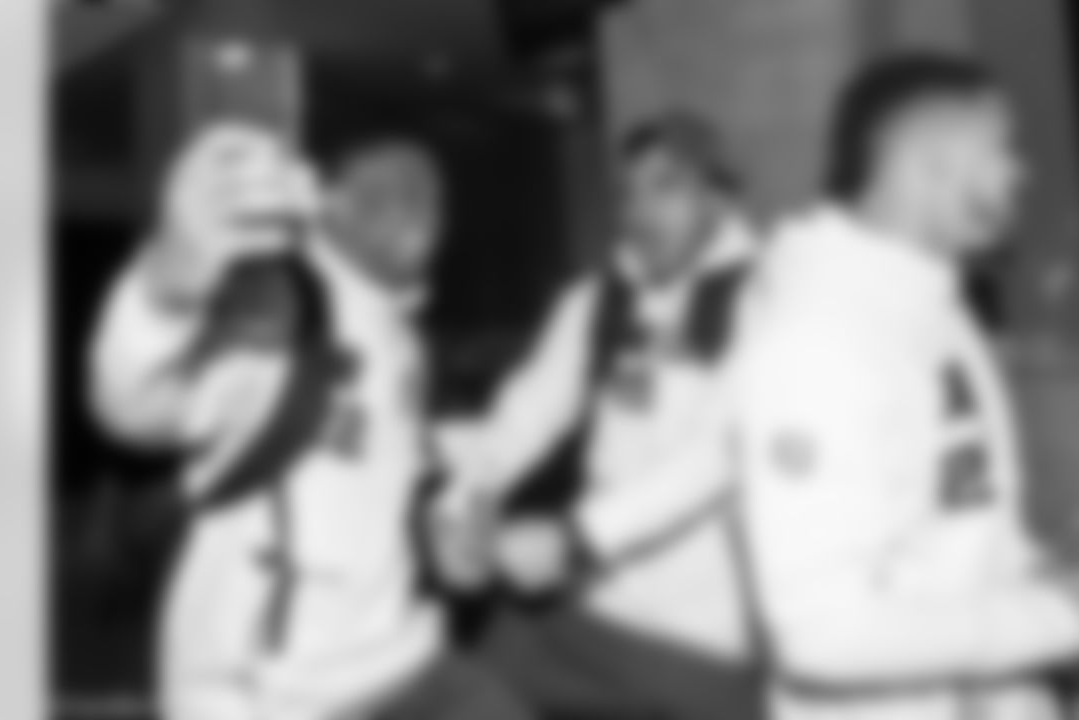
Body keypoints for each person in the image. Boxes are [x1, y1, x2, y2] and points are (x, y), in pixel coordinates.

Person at [729, 54, 1079, 720]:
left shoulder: (930, 302)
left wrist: (1037, 571)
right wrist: (1073, 619)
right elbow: (820, 634)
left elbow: (956, 514)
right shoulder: (817, 337)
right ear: (930, 163)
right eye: (1003, 149)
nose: (1022, 172)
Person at [89, 123, 532, 720]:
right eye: (388, 187)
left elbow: (381, 476)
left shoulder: (403, 337)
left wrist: (446, 534)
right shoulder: (280, 300)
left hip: (402, 659)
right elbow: (136, 406)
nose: (416, 205)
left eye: (430, 194)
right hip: (267, 687)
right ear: (329, 202)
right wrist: (169, 283)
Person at [430, 112, 764, 720]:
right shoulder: (597, 302)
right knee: (464, 695)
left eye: (667, 186)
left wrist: (578, 539)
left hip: (707, 642)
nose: (640, 210)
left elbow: (718, 457)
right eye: (628, 191)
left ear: (720, 197)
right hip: (584, 607)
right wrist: (461, 509)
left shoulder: (770, 302)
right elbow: (521, 421)